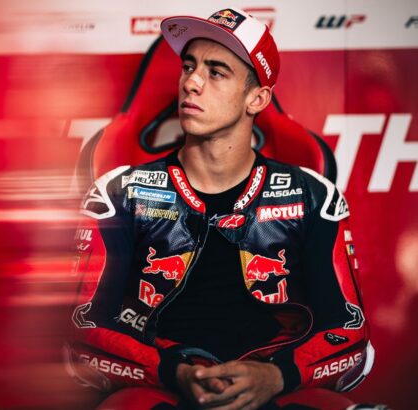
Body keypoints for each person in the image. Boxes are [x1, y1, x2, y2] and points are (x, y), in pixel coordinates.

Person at [66, 7, 373, 409]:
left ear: (256, 99)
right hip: (162, 385)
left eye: (216, 72)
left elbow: (351, 333)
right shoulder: (119, 194)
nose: (191, 82)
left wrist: (277, 375)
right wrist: (174, 372)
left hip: (274, 385)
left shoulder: (313, 196)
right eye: (188, 67)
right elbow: (83, 329)